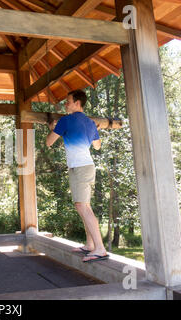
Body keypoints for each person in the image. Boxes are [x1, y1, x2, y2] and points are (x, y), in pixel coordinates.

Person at [45, 90, 109, 263]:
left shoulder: (65, 121)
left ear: (77, 103)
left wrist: (53, 129)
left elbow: (49, 142)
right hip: (88, 167)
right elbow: (97, 146)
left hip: (79, 168)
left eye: (68, 101)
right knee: (85, 206)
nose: (65, 104)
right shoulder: (89, 123)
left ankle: (100, 248)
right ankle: (90, 245)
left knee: (82, 207)